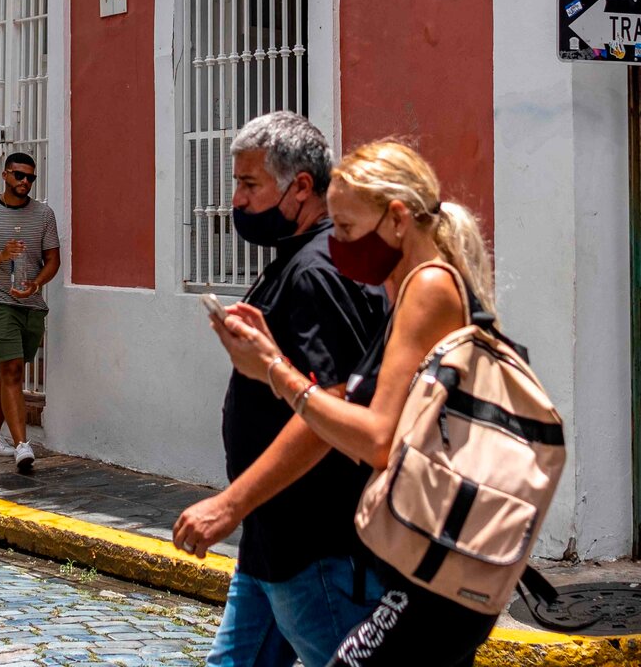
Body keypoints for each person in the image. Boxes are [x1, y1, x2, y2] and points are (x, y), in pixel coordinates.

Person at [211, 141, 501, 667]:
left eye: (345, 228)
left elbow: (376, 437)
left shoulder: (429, 288)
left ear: (395, 219)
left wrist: (274, 371)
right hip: (403, 552)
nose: (336, 244)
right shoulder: (406, 287)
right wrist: (274, 355)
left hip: (424, 558)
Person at [176, 112, 389, 667]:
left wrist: (229, 504)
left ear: (300, 187)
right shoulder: (294, 260)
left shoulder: (320, 270)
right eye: (236, 183)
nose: (237, 201)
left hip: (315, 547)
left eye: (249, 185)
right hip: (274, 540)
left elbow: (333, 408)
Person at [0, 151, 61, 473]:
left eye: (31, 177)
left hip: (31, 305)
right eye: (19, 175)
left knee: (9, 373)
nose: (25, 182)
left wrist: (35, 284)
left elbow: (53, 260)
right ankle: (22, 446)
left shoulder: (44, 215)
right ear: (4, 175)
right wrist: (1, 256)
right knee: (14, 369)